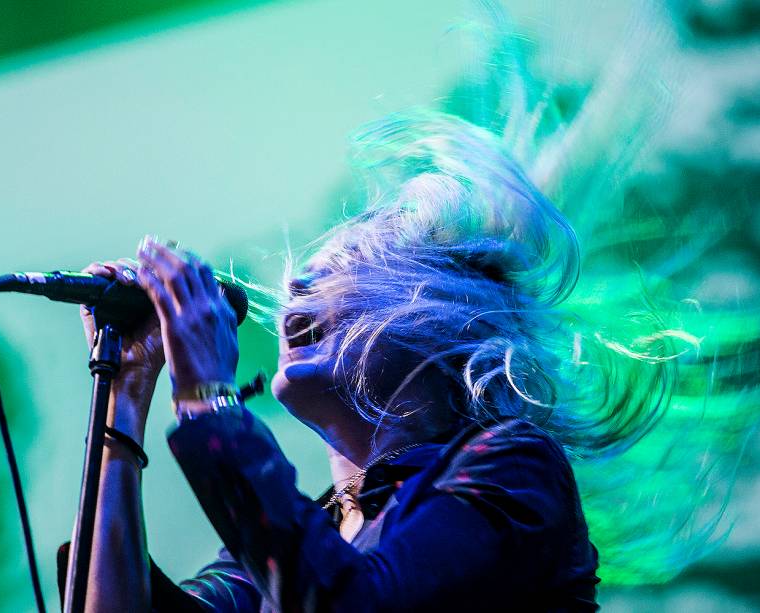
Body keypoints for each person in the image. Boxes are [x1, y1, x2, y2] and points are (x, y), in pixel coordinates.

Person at [66, 111, 609, 611]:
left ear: (433, 317)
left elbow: (353, 601)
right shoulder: (283, 550)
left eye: (346, 264)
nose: (296, 285)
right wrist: (125, 396)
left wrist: (208, 396)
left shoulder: (514, 467)